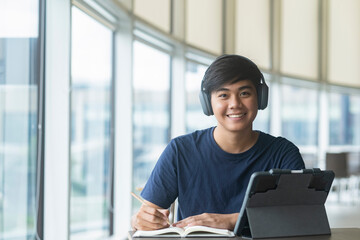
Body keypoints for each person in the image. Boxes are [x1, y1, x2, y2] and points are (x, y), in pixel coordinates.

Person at [131, 54, 305, 231]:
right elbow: (146, 215)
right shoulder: (180, 151)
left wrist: (233, 220)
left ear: (260, 97)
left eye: (244, 93)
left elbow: (301, 217)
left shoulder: (283, 153)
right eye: (223, 95)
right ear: (208, 103)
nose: (235, 104)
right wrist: (140, 221)